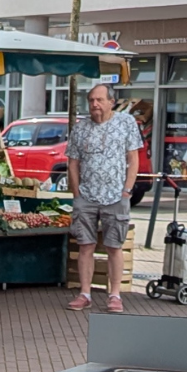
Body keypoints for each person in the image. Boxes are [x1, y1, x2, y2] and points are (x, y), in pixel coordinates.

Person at [66, 83, 143, 314]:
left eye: (99, 100)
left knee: (114, 246)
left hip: (115, 196)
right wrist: (77, 194)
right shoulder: (81, 128)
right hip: (87, 196)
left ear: (111, 101)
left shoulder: (126, 123)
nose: (94, 104)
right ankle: (85, 293)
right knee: (85, 245)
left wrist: (126, 191)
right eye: (91, 100)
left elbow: (133, 158)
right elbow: (72, 162)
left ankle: (115, 295)